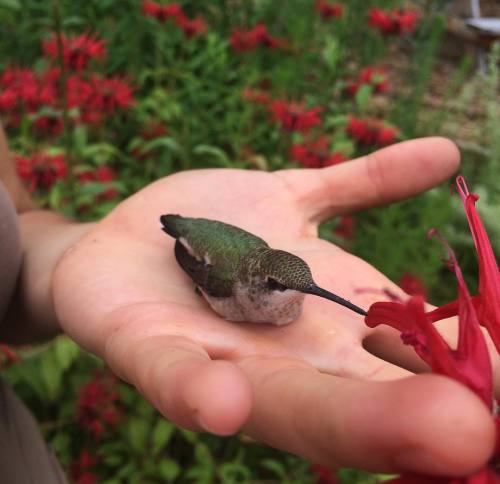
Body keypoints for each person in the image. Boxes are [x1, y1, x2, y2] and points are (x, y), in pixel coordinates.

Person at [0, 124, 497, 482]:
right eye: (285, 290)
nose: (304, 296)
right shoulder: (229, 285)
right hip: (205, 248)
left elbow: (16, 230)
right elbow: (191, 256)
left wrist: (63, 255)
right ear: (261, 289)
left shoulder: (284, 280)